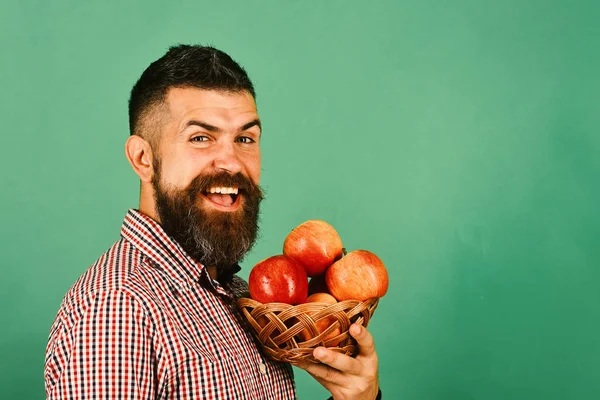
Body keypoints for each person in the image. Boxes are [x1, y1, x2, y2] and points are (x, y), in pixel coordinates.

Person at [44, 44, 381, 399]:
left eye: (245, 138)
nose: (232, 162)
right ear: (143, 159)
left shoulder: (237, 295)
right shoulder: (117, 311)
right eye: (201, 138)